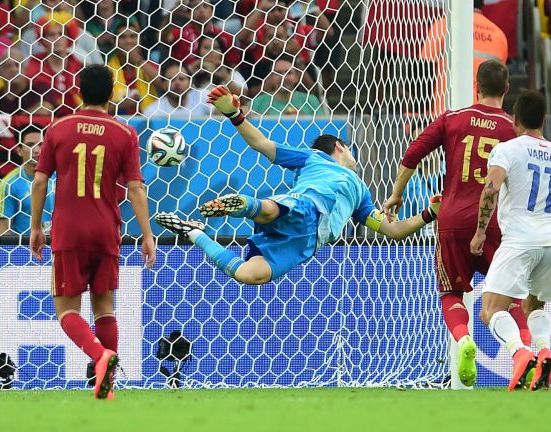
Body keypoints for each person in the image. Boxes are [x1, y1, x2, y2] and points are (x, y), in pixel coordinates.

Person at [155, 85, 441, 285]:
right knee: (271, 211)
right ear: (339, 146)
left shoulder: (361, 195)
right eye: (349, 148)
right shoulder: (314, 158)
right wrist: (234, 115)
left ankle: (195, 233)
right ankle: (247, 205)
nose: (353, 154)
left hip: (306, 242)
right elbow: (263, 145)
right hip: (306, 205)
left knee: (248, 274)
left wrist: (431, 213)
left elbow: (393, 231)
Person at [382, 60, 529, 388]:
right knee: (510, 298)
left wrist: (396, 194)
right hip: (494, 224)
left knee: (451, 293)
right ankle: (522, 353)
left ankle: (463, 341)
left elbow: (412, 155)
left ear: (477, 86)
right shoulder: (512, 128)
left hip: (451, 220)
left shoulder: (451, 118)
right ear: (507, 89)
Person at [30, 64, 156, 399]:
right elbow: (135, 187)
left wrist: (34, 227)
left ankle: (100, 356)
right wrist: (147, 234)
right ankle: (107, 384)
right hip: (106, 229)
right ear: (113, 93)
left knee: (67, 309)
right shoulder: (125, 133)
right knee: (104, 307)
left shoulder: (59, 128)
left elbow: (40, 180)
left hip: (69, 229)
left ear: (78, 92)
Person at [470, 90, 551, 391]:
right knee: (534, 306)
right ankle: (545, 351)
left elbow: (490, 189)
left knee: (490, 309)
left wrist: (481, 231)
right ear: (545, 121)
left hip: (520, 239)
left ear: (515, 119)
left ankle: (521, 354)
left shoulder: (507, 150)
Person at [420, 0, 508, 115]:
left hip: (447, 111)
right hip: (485, 117)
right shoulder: (499, 35)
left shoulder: (443, 26)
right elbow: (501, 81)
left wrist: (419, 112)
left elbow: (423, 72)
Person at [0, 125, 55, 236]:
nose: (37, 150)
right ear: (19, 151)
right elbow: (4, 232)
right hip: (25, 250)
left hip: (58, 248)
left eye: (41, 144)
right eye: (30, 145)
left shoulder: (61, 177)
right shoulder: (8, 184)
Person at [251, 56, 326, 117]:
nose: (284, 77)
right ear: (271, 77)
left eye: (288, 72)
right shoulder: (258, 103)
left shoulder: (310, 101)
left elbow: (322, 127)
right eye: (278, 73)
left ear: (297, 77)